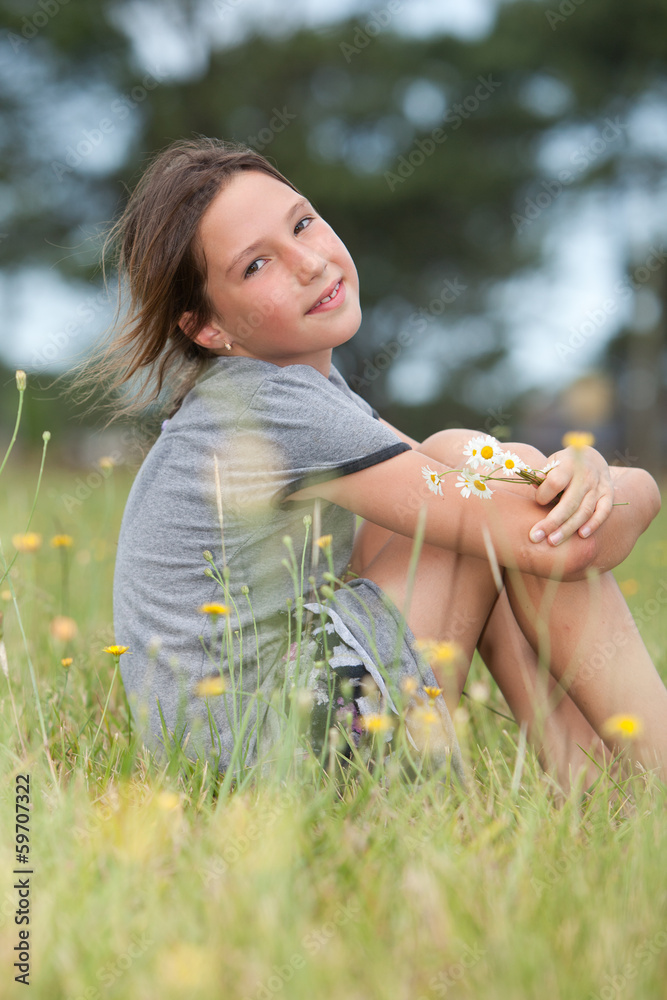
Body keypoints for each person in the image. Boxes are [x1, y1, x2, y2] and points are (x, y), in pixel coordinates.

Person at [90, 136, 664, 792]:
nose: (309, 262)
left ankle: (592, 785)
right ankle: (644, 775)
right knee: (476, 491)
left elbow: (508, 510)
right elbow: (557, 544)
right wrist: (623, 482)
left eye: (303, 223)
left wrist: (576, 475)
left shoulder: (291, 395)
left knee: (470, 475)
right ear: (209, 330)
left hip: (249, 763)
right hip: (278, 773)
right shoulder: (269, 402)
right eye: (256, 266)